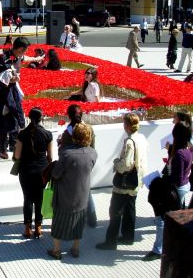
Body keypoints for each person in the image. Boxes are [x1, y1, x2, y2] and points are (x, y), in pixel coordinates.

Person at [144, 122, 193, 262]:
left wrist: (160, 182)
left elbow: (176, 178)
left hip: (175, 188)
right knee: (176, 216)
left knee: (161, 219)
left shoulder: (180, 153)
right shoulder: (189, 148)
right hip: (184, 185)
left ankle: (158, 249)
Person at [96, 113, 147, 250]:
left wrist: (116, 163)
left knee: (115, 211)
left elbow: (127, 164)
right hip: (136, 180)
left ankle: (111, 241)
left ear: (127, 125)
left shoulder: (130, 142)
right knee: (130, 209)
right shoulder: (141, 138)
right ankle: (128, 236)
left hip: (125, 182)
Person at [47, 123, 97, 259]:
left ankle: (56, 250)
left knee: (59, 221)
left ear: (74, 137)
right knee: (78, 221)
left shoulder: (67, 154)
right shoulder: (93, 153)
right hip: (82, 193)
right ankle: (75, 248)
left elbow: (56, 174)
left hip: (65, 194)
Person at [0, 37, 42, 159]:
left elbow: (25, 58)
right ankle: (2, 149)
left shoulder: (18, 56)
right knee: (4, 119)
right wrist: (9, 78)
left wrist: (37, 58)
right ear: (20, 48)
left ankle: (13, 144)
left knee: (16, 116)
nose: (26, 53)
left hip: (14, 90)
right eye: (25, 50)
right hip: (5, 92)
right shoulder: (3, 58)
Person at [13, 107, 53, 239]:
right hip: (42, 170)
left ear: (29, 117)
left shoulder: (22, 134)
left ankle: (27, 229)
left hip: (26, 170)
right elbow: (50, 157)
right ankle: (39, 227)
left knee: (28, 199)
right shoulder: (47, 134)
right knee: (40, 198)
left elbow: (17, 155)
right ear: (42, 118)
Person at [58, 104, 97, 228]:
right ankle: (92, 220)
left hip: (71, 167)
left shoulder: (67, 133)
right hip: (86, 163)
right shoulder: (89, 129)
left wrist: (60, 144)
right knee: (87, 190)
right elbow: (93, 147)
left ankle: (71, 223)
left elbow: (62, 153)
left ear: (69, 116)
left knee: (71, 195)